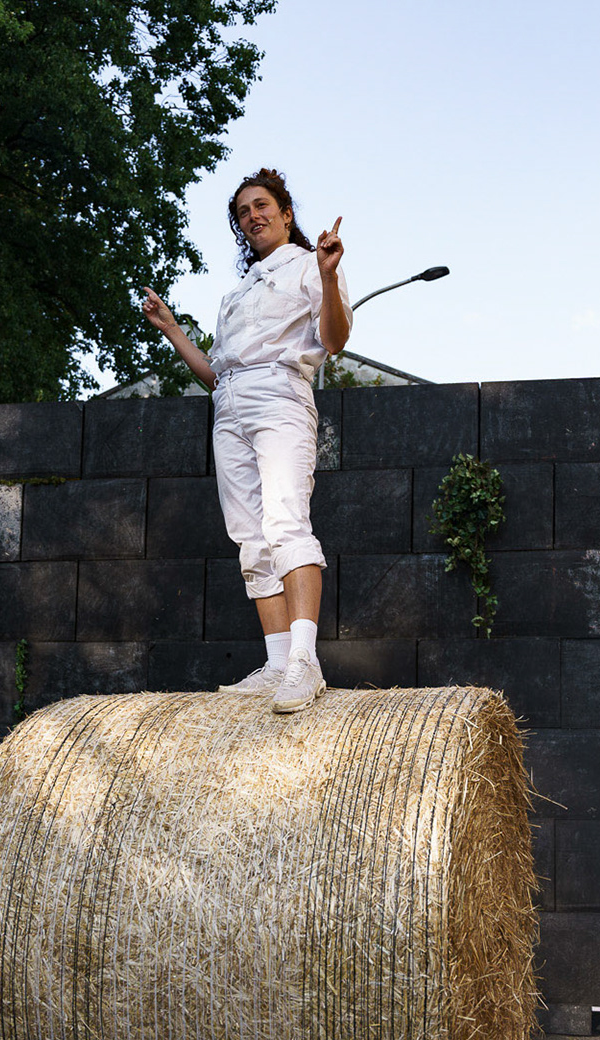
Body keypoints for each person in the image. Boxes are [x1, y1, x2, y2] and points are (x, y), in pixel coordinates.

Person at [140, 167, 349, 713]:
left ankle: (306, 662)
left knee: (285, 523)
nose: (251, 216)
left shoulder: (311, 263)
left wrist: (328, 276)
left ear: (285, 213)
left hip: (279, 393)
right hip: (227, 402)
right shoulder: (236, 293)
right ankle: (277, 661)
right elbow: (214, 373)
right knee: (249, 537)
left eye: (261, 205)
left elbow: (334, 339)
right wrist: (171, 329)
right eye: (241, 212)